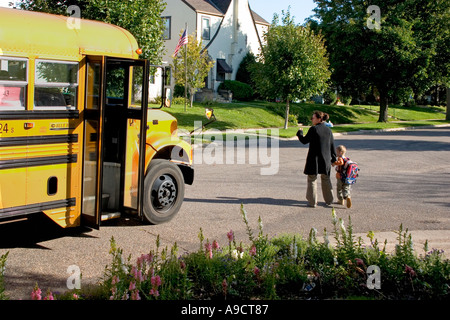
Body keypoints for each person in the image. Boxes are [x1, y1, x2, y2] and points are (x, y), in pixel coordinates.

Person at [297, 111, 337, 208]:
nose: (312, 119)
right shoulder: (328, 130)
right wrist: (334, 158)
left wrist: (300, 133)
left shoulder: (313, 129)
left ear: (319, 119)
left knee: (312, 179)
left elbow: (304, 141)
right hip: (326, 159)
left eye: (313, 118)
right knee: (326, 179)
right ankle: (329, 200)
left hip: (314, 158)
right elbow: (332, 145)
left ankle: (312, 201)